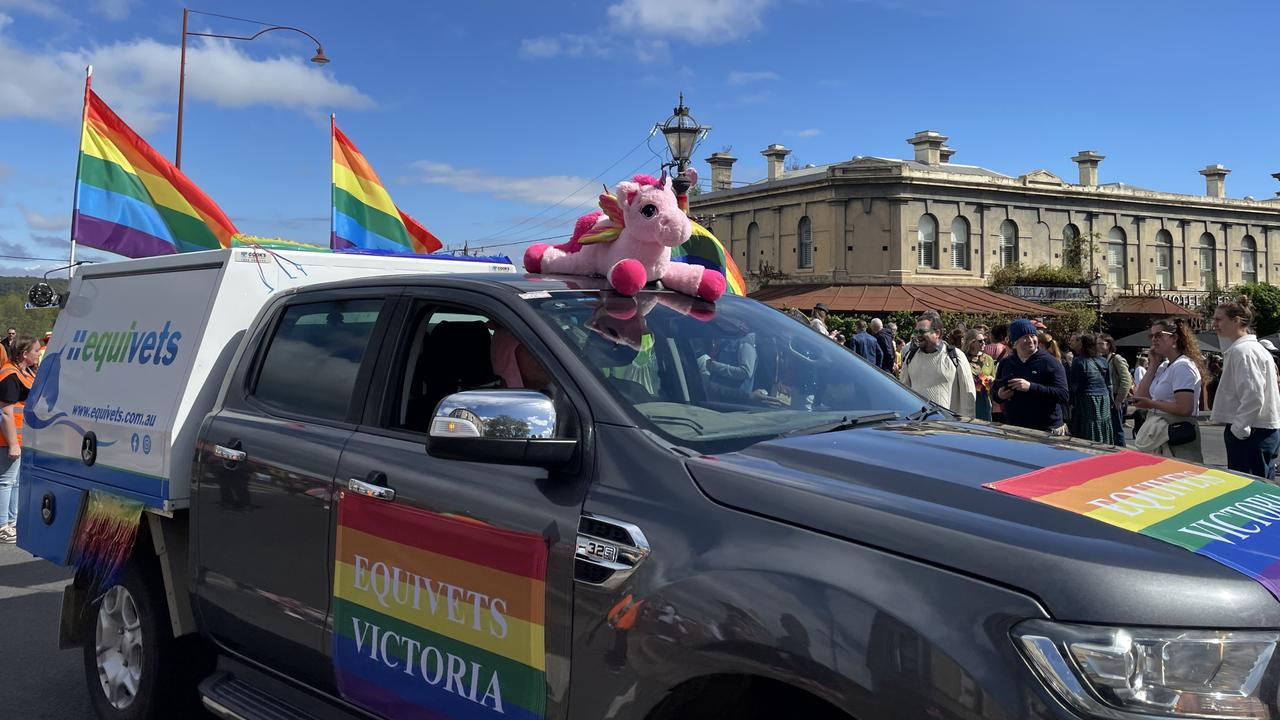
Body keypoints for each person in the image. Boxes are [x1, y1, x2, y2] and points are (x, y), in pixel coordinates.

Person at [1210, 296, 1280, 479]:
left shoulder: (1243, 351)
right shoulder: (1248, 349)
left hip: (1252, 433)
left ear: (1236, 321)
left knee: (1252, 491)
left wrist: (1239, 429)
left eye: (1219, 319)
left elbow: (1253, 394)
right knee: (1261, 489)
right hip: (1257, 430)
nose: (1214, 324)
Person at [1132, 317, 1206, 463]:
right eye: (1151, 336)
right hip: (1159, 432)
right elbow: (1139, 399)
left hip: (1176, 432)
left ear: (1174, 338)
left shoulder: (1183, 366)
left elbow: (1185, 408)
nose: (1154, 340)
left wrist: (1152, 404)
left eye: (1159, 335)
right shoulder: (1164, 366)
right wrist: (1153, 365)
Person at [993, 319, 1070, 435]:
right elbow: (995, 389)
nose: (1030, 340)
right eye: (1025, 337)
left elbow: (1063, 395)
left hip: (1047, 431)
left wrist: (1031, 387)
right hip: (1016, 430)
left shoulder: (1050, 363)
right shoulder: (1006, 363)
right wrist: (999, 395)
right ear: (1015, 342)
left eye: (1033, 336)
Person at [0, 336, 37, 543]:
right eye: (35, 351)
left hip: (19, 437)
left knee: (14, 482)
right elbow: (5, 412)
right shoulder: (10, 375)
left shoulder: (24, 373)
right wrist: (13, 443)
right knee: (5, 482)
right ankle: (2, 525)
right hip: (7, 439)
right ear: (24, 354)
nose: (38, 353)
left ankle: (12, 521)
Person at [900, 316, 976, 416]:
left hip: (947, 427)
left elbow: (968, 394)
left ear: (937, 333)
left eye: (922, 331)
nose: (918, 335)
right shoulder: (910, 357)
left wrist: (967, 424)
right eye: (916, 331)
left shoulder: (955, 356)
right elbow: (903, 393)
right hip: (918, 427)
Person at [1067, 334, 1114, 444]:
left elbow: (1074, 385)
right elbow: (1109, 382)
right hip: (1104, 397)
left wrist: (1070, 402)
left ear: (1082, 345)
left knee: (1088, 426)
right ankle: (1104, 445)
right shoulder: (1103, 360)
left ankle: (1089, 447)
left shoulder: (1079, 361)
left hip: (1087, 398)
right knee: (1103, 424)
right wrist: (1111, 399)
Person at [1100, 334, 1131, 446]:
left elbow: (1126, 380)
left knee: (1117, 429)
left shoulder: (1116, 359)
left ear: (1108, 345)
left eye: (1101, 344)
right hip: (1108, 398)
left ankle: (1121, 452)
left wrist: (1119, 399)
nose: (1098, 346)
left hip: (1115, 399)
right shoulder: (1102, 359)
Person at [963, 328, 995, 421]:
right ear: (971, 342)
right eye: (980, 341)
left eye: (985, 340)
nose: (984, 343)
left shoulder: (988, 359)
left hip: (984, 401)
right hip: (967, 400)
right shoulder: (963, 358)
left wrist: (991, 380)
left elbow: (994, 378)